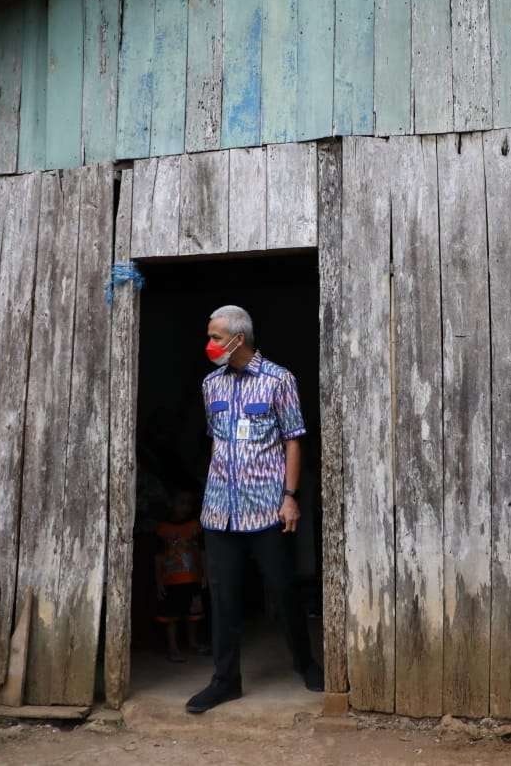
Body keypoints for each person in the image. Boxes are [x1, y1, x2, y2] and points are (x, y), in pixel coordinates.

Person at [186, 304, 324, 714]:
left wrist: (290, 497)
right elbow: (216, 441)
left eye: (215, 337)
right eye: (209, 337)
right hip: (219, 512)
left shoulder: (279, 380)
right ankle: (225, 681)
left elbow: (293, 440)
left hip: (266, 509)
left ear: (238, 339)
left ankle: (305, 662)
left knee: (283, 592)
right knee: (224, 598)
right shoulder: (211, 384)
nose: (209, 344)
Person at [154, 490, 210, 662]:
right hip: (171, 581)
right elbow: (158, 556)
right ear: (172, 503)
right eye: (181, 503)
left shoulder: (195, 526)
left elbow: (202, 552)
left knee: (193, 614)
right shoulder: (162, 529)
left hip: (192, 578)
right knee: (172, 616)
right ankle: (173, 648)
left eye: (189, 503)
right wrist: (159, 580)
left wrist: (205, 574)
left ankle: (193, 644)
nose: (185, 507)